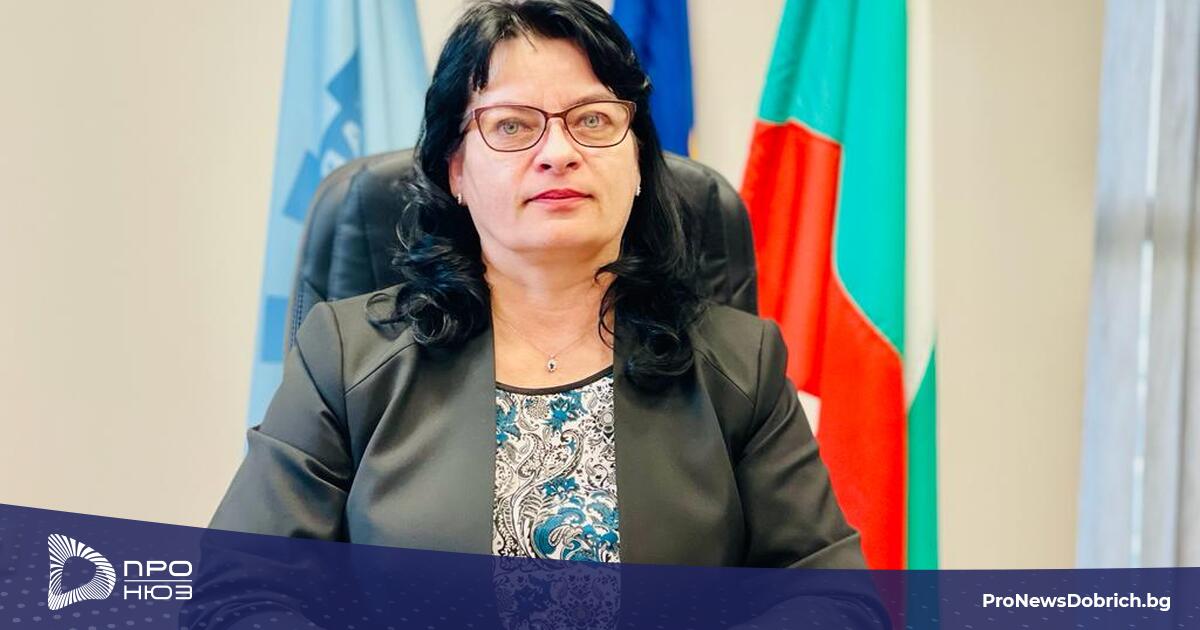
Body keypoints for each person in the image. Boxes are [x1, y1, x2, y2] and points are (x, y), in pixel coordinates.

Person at [210, 0, 864, 569]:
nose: (558, 152)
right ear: (456, 170)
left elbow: (830, 595)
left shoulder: (742, 367)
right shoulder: (346, 358)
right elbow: (238, 589)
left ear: (639, 161)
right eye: (513, 126)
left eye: (593, 120)